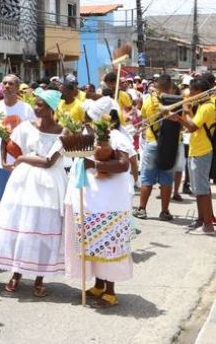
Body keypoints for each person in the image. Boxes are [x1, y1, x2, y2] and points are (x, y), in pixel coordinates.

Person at [0, 89, 66, 296]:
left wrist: (22, 159)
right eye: (35, 104)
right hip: (23, 183)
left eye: (40, 105)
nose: (35, 108)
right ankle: (16, 274)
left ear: (51, 108)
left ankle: (39, 279)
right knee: (21, 225)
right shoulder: (25, 127)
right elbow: (9, 143)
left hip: (50, 184)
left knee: (43, 227)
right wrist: (6, 161)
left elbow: (50, 161)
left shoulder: (63, 131)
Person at [64, 101, 134, 308]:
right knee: (93, 243)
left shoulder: (117, 137)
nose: (87, 121)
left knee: (109, 245)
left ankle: (110, 290)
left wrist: (94, 164)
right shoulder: (89, 136)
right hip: (90, 199)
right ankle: (98, 284)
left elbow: (123, 164)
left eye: (90, 117)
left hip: (110, 201)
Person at [168, 78, 215, 234]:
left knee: (202, 190)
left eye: (193, 93)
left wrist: (181, 116)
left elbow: (193, 127)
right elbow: (192, 125)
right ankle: (201, 219)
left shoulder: (207, 107)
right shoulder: (203, 106)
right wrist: (186, 113)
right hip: (197, 149)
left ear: (199, 92)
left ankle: (207, 223)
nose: (190, 95)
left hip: (202, 151)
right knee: (199, 189)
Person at [0, 74, 36, 205]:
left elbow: (32, 136)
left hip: (21, 163)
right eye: (4, 83)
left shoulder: (27, 109)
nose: (7, 86)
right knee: (0, 201)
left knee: (21, 201)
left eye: (11, 84)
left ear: (17, 88)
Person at [134, 74, 178, 221]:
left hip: (152, 143)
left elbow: (144, 118)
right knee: (166, 180)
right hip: (168, 145)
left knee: (147, 179)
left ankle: (142, 209)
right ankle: (164, 211)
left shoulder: (148, 100)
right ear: (170, 87)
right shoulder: (175, 101)